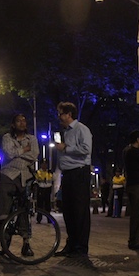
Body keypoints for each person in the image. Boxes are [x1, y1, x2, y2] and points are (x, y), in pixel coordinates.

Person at [54, 101, 93, 258]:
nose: (59, 117)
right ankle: (71, 243)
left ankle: (81, 247)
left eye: (61, 113)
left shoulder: (81, 129)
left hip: (79, 173)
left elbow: (86, 149)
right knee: (68, 210)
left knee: (80, 210)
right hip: (68, 174)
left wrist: (66, 148)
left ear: (69, 114)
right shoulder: (65, 132)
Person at [0, 113, 39, 257]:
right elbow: (8, 153)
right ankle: (4, 241)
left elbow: (34, 155)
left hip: (26, 176)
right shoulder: (7, 138)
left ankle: (26, 243)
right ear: (13, 125)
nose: (22, 123)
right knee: (4, 210)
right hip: (8, 175)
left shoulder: (32, 139)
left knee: (25, 210)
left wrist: (18, 153)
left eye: (24, 120)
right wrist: (23, 150)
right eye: (18, 121)